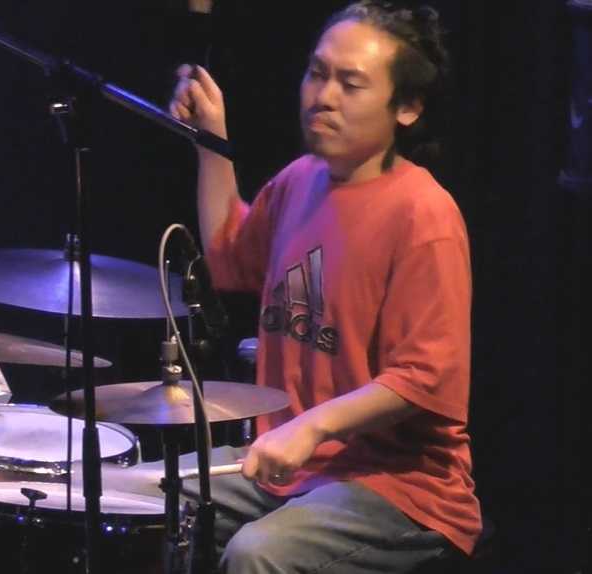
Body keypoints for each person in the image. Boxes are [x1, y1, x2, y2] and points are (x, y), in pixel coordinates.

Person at [167, 2, 481, 572]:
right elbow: (230, 257)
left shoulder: (423, 214)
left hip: (397, 486)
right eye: (317, 73)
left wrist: (310, 427)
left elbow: (425, 378)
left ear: (407, 107)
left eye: (350, 84)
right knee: (152, 500)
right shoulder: (300, 181)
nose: (324, 96)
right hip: (294, 468)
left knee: (258, 553)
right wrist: (210, 140)